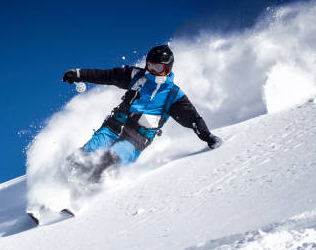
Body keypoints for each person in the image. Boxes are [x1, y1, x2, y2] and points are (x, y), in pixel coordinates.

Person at [62, 44, 222, 182]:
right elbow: (107, 76)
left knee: (111, 159)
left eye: (157, 68)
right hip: (113, 126)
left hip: (136, 139)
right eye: (149, 65)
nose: (152, 70)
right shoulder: (135, 76)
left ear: (167, 68)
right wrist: (78, 74)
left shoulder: (173, 95)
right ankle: (57, 194)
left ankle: (83, 194)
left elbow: (193, 118)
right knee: (83, 155)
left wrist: (207, 136)